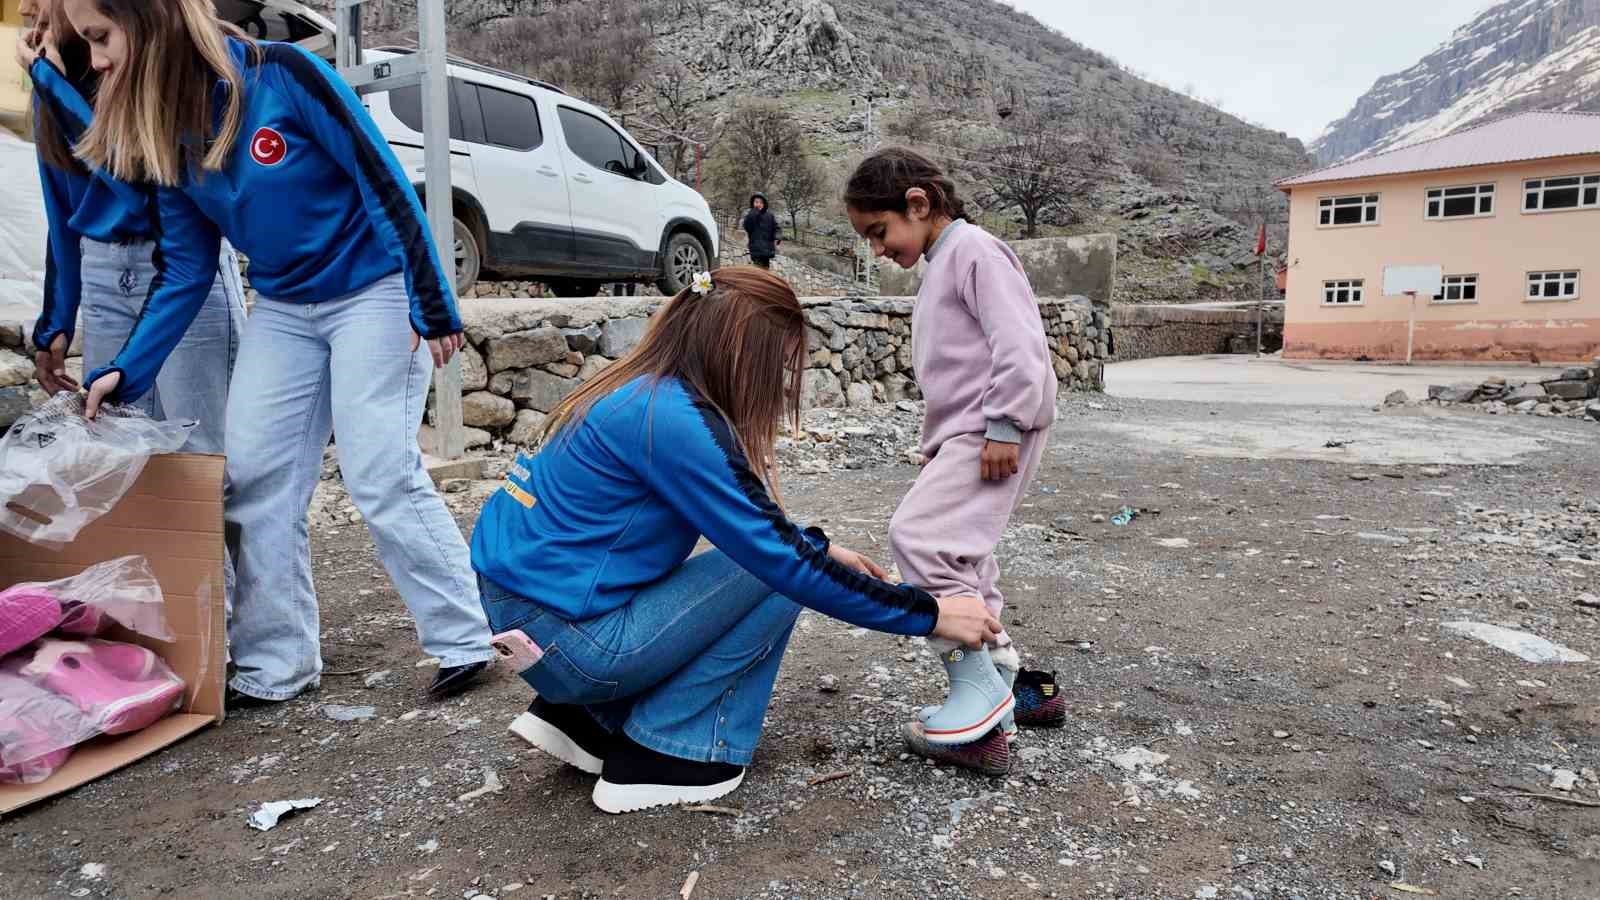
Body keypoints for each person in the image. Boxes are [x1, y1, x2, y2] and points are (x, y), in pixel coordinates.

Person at [46, 0, 493, 704]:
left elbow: (384, 183)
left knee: (378, 469)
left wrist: (429, 298)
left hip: (372, 289)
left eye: (101, 38)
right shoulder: (169, 132)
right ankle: (278, 665)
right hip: (285, 307)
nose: (96, 61)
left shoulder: (286, 76)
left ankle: (465, 637)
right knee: (255, 480)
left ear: (153, 18)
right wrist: (124, 373)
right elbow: (187, 270)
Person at [469, 266, 1003, 814]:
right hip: (576, 648)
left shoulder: (635, 392)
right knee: (783, 574)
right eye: (779, 368)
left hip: (536, 626)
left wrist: (813, 547)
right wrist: (930, 613)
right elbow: (782, 563)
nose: (781, 386)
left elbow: (750, 524)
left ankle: (589, 722)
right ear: (746, 356)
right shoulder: (673, 420)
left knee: (792, 555)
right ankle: (672, 751)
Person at [844, 148, 1065, 775]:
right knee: (963, 552)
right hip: (969, 430)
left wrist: (1004, 423)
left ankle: (977, 699)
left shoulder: (974, 251)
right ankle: (1008, 679)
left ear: (918, 203)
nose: (877, 250)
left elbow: (1020, 343)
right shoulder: (945, 263)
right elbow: (957, 368)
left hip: (994, 425)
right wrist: (940, 446)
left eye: (879, 232)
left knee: (918, 538)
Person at [18, 0, 244, 455]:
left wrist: (52, 89)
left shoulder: (142, 68)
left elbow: (142, 188)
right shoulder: (54, 78)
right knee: (114, 448)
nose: (25, 9)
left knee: (201, 452)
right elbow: (63, 212)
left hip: (178, 271)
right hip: (102, 273)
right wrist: (56, 322)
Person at [740, 193, 781, 269]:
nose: (758, 204)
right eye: (756, 202)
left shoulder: (770, 215)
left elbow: (777, 228)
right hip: (756, 250)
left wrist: (777, 237)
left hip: (767, 249)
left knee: (765, 271)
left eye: (761, 202)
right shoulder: (750, 215)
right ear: (753, 203)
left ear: (764, 204)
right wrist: (754, 212)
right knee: (758, 271)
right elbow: (747, 227)